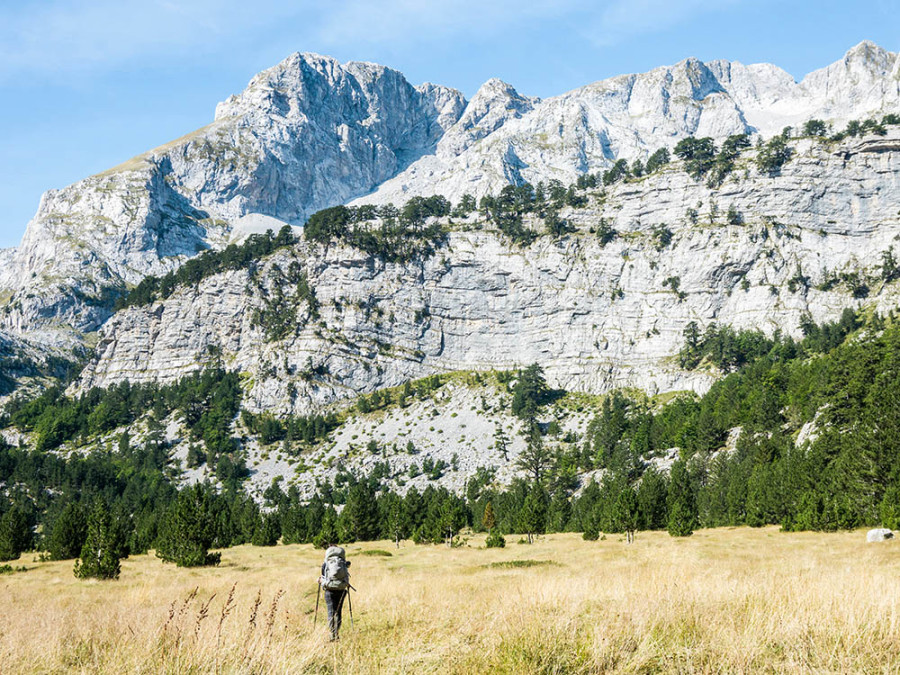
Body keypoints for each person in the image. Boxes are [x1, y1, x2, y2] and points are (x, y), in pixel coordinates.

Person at [319, 545, 351, 640]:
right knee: (338, 611)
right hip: (341, 589)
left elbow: (323, 576)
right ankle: (337, 632)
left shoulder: (326, 563)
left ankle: (332, 635)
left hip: (330, 590)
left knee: (331, 612)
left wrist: (321, 581)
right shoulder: (343, 562)